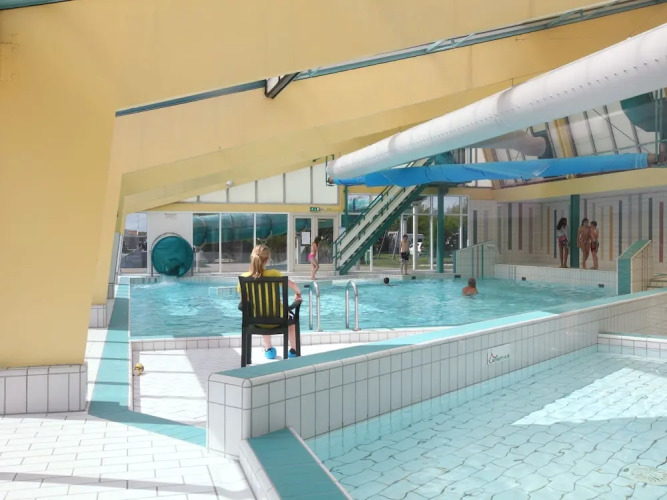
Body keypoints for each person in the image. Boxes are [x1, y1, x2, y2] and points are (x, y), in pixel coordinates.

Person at [238, 244, 302, 360]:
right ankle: (293, 350)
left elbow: (243, 302)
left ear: (252, 258)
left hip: (257, 321)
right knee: (291, 319)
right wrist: (298, 294)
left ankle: (269, 349)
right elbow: (293, 285)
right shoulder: (274, 274)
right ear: (267, 260)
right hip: (280, 319)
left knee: (261, 313)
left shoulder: (244, 277)